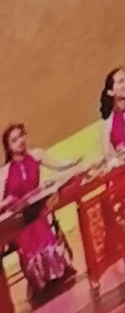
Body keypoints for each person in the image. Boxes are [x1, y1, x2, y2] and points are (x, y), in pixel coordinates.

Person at [1, 122, 72, 298]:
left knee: (42, 229)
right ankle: (39, 282)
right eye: (14, 140)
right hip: (18, 219)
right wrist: (9, 201)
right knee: (28, 239)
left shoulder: (36, 155)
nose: (20, 141)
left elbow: (61, 165)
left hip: (38, 210)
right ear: (8, 147)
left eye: (21, 136)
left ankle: (55, 275)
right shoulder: (5, 172)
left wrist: (75, 165)